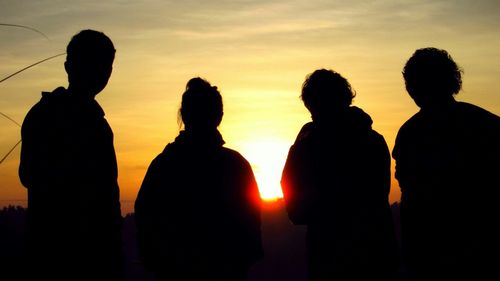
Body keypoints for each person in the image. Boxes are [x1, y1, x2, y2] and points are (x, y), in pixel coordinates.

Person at [135, 77, 263, 281]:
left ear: (184, 115)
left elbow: (146, 219)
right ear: (219, 116)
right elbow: (251, 227)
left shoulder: (164, 164)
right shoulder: (236, 165)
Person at [19, 30, 123, 280]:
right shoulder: (64, 118)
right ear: (68, 66)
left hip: (62, 253)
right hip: (69, 255)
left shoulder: (43, 114)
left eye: (107, 66)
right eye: (97, 64)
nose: (103, 72)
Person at [281, 69, 399, 281]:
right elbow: (380, 192)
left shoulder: (309, 144)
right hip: (375, 243)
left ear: (312, 104)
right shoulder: (373, 140)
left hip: (328, 246)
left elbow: (295, 205)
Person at [393, 47, 500, 280]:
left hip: (435, 251)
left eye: (412, 82)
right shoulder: (487, 124)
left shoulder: (410, 133)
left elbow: (410, 197)